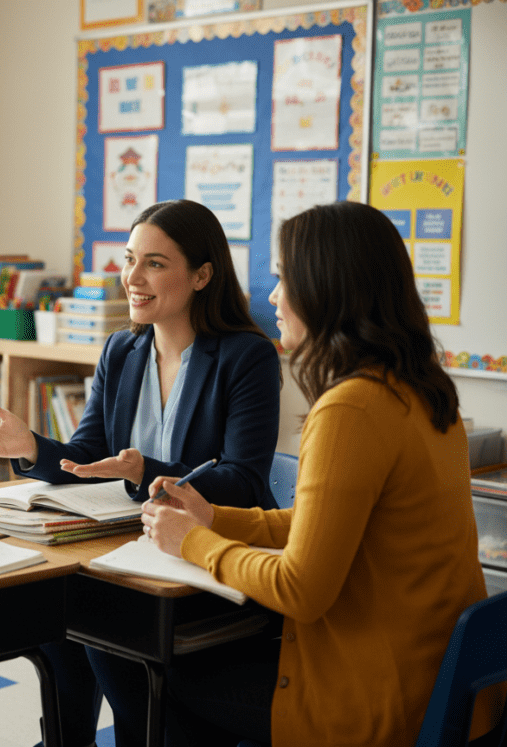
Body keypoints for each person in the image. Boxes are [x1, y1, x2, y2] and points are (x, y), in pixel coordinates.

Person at [142, 201, 501, 747]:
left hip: (375, 700)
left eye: (284, 278)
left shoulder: (351, 409)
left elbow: (300, 589)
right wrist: (215, 518)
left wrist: (196, 543)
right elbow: (326, 526)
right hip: (442, 685)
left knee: (165, 677)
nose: (272, 298)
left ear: (327, 288)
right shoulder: (423, 389)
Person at [0, 199, 282, 747]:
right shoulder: (122, 349)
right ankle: (69, 737)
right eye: (130, 260)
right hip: (125, 552)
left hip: (203, 560)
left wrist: (146, 471)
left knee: (96, 622)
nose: (132, 277)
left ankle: (143, 733)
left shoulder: (246, 356)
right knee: (57, 608)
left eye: (154, 263)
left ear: (202, 275)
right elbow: (87, 455)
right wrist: (31, 446)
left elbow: (244, 482)